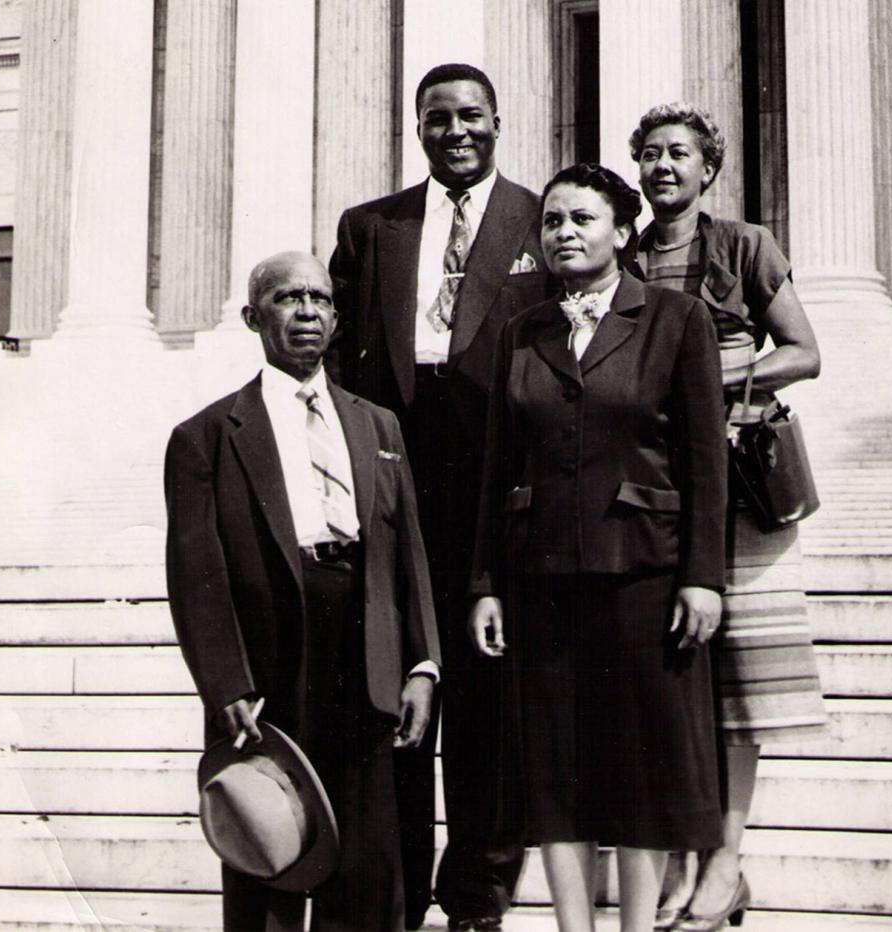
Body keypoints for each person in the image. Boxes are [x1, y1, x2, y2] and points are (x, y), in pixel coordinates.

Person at [468, 163, 727, 932]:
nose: (564, 233)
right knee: (551, 769)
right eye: (552, 221)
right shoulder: (524, 331)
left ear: (622, 230)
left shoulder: (676, 320)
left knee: (641, 769)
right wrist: (484, 582)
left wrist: (702, 577)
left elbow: (706, 463)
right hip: (539, 579)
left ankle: (637, 928)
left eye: (582, 218)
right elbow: (495, 468)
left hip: (643, 576)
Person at [329, 63, 549, 931]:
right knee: (397, 683)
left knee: (489, 694)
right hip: (396, 473)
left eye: (470, 117)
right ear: (415, 128)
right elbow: (343, 359)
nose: (455, 132)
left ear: (499, 121)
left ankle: (478, 894)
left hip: (497, 479)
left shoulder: (543, 218)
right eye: (437, 119)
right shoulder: (372, 227)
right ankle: (398, 883)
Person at [164, 251, 440, 931]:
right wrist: (226, 683)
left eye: (320, 299)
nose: (308, 312)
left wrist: (424, 662)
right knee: (274, 858)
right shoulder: (207, 438)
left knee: (370, 866)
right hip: (271, 667)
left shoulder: (377, 426)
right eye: (289, 299)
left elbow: (408, 555)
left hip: (366, 649)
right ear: (254, 317)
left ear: (338, 318)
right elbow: (198, 577)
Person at [628, 103, 828, 932]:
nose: (663, 167)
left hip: (739, 490)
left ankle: (724, 863)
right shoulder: (625, 254)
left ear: (709, 169)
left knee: (740, 680)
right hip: (654, 487)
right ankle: (679, 852)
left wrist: (716, 380)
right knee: (676, 680)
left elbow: (805, 351)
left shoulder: (744, 245)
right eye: (650, 155)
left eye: (679, 154)